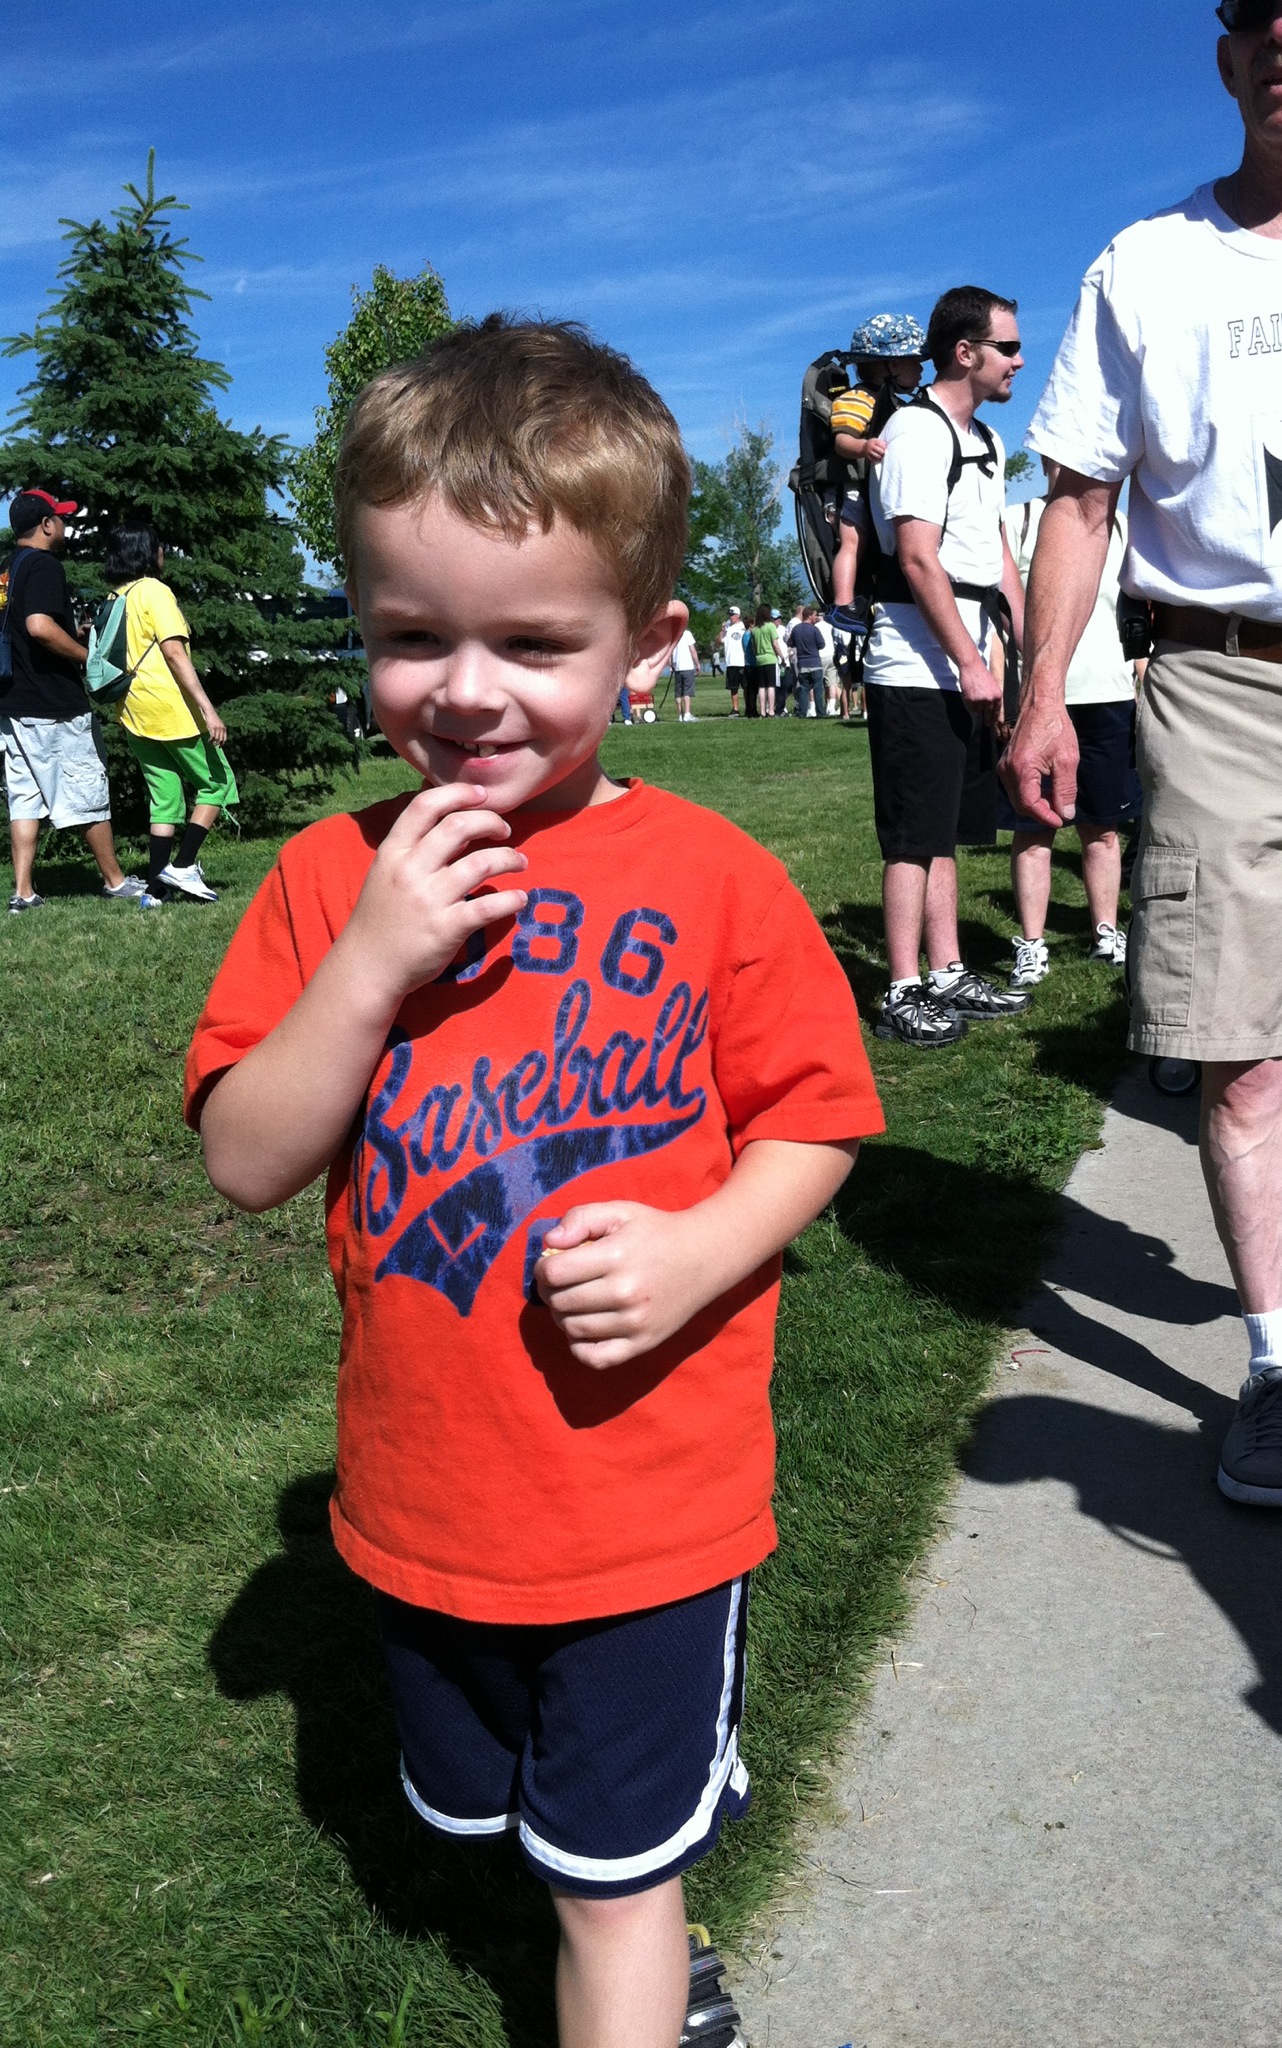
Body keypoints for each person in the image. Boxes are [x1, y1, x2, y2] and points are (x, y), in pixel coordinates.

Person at [184, 315, 884, 2048]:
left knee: (610, 1881)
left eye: (534, 642)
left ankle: (641, 1939)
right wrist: (370, 961)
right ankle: (615, 1898)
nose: (466, 689)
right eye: (412, 636)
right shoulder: (330, 877)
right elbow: (247, 1160)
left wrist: (702, 1248)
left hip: (649, 1502)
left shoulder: (713, 880)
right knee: (489, 1813)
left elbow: (815, 1115)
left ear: (646, 645)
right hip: (427, 1500)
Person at [1003, 0, 1282, 1505]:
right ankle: (1276, 1364)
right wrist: (1042, 694)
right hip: (1220, 679)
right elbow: (1077, 500)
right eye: (1261, 13)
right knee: (1239, 1057)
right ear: (1228, 54)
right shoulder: (1146, 266)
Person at [863, 287, 1031, 1046]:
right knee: (911, 835)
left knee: (946, 830)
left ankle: (949, 970)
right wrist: (969, 662)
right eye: (1008, 347)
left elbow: (995, 553)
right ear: (965, 352)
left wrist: (1025, 649)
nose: (1018, 361)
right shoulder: (915, 431)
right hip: (913, 663)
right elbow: (917, 558)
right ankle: (903, 986)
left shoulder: (984, 440)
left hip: (969, 658)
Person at [1002, 467, 1141, 988]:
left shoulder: (1119, 525)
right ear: (1044, 458)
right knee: (1033, 828)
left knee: (1102, 827)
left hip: (1108, 693)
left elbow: (1136, 609)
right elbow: (1000, 615)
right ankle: (1032, 943)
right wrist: (1009, 693)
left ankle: (1106, 932)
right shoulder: (1018, 520)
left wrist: (1142, 671)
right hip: (1040, 701)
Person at [0, 490, 142, 912]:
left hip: (13, 704)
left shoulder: (7, 568)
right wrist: (87, 657)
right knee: (85, 791)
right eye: (60, 518)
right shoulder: (44, 565)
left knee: (24, 798)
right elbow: (38, 626)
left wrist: (71, 633)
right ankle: (116, 881)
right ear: (46, 525)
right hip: (53, 705)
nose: (65, 524)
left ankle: (23, 892)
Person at [102, 525, 239, 909]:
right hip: (170, 709)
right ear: (146, 552)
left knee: (164, 798)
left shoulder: (116, 597)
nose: (163, 552)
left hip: (133, 711)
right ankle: (183, 865)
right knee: (218, 783)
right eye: (158, 546)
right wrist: (208, 709)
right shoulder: (154, 591)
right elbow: (174, 653)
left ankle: (155, 891)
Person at [828, 315, 928, 633]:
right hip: (853, 487)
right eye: (915, 360)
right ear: (891, 365)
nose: (922, 368)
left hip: (876, 489)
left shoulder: (899, 404)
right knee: (852, 541)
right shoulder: (858, 400)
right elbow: (841, 440)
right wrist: (863, 447)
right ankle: (843, 604)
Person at [788, 606, 826, 718]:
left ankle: (802, 712)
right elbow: (822, 644)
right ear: (809, 616)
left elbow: (790, 643)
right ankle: (820, 712)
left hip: (802, 663)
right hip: (815, 663)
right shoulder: (814, 629)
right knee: (818, 689)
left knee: (804, 689)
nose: (816, 617)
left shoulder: (796, 629)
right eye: (814, 615)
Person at [750, 605, 785, 718]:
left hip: (759, 659)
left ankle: (762, 711)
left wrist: (757, 655)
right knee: (771, 685)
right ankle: (771, 710)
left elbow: (754, 647)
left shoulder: (755, 629)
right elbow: (775, 644)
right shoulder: (770, 626)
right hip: (770, 658)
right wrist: (782, 657)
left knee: (761, 686)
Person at [670, 622, 701, 722]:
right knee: (687, 691)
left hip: (677, 667)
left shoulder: (673, 635)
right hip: (687, 666)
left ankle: (680, 714)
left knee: (678, 692)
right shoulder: (687, 634)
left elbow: (670, 652)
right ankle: (687, 714)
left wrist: (671, 664)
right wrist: (697, 663)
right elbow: (692, 650)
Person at [718, 606, 745, 714]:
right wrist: (722, 630)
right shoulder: (727, 627)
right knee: (733, 688)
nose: (730, 617)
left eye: (732, 615)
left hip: (742, 661)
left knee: (746, 686)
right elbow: (719, 641)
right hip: (731, 661)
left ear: (738, 615)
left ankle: (749, 707)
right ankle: (735, 709)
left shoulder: (742, 627)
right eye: (729, 615)